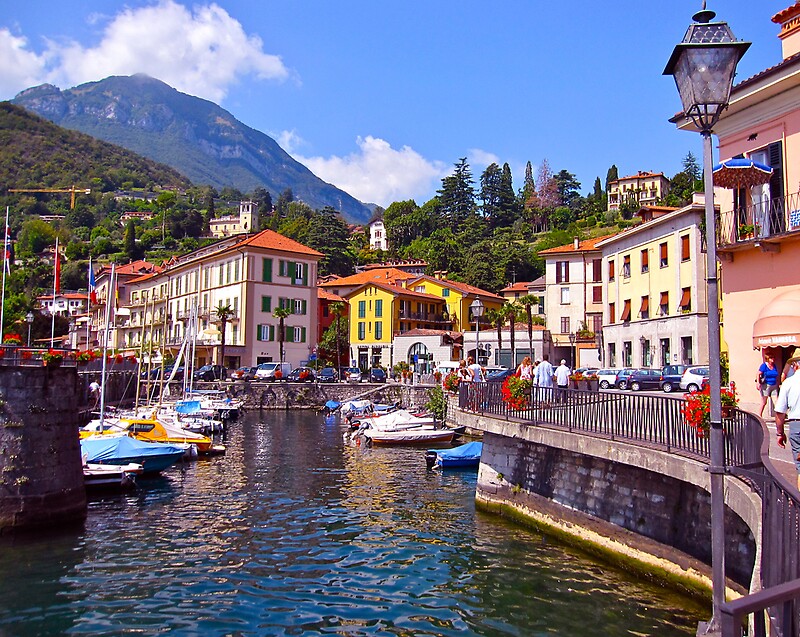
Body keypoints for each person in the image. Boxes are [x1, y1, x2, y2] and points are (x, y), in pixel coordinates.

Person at [775, 355, 800, 491]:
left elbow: (780, 412)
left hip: (797, 425)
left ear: (795, 365)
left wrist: (780, 433)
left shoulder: (789, 383)